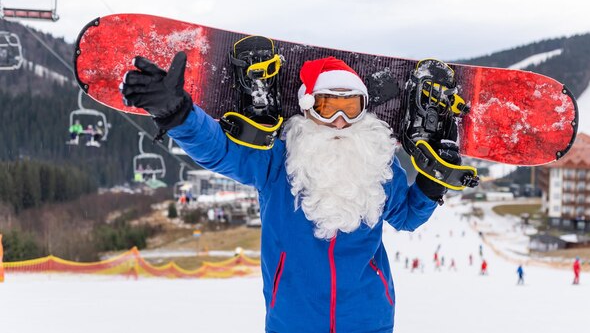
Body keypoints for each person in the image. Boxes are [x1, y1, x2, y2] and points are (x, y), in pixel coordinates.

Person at [120, 53, 466, 333]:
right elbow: (220, 150)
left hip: (370, 321)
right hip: (293, 323)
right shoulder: (277, 163)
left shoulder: (375, 166)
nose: (341, 122)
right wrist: (178, 114)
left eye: (352, 107)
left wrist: (431, 183)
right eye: (329, 107)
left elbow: (406, 217)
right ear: (308, 107)